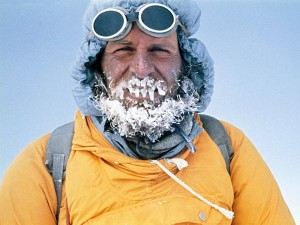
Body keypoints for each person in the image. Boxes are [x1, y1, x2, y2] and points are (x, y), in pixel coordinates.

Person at [0, 0, 295, 224]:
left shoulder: (226, 146)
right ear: (95, 68)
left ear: (187, 65)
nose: (141, 70)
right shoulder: (46, 164)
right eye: (123, 51)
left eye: (159, 51)